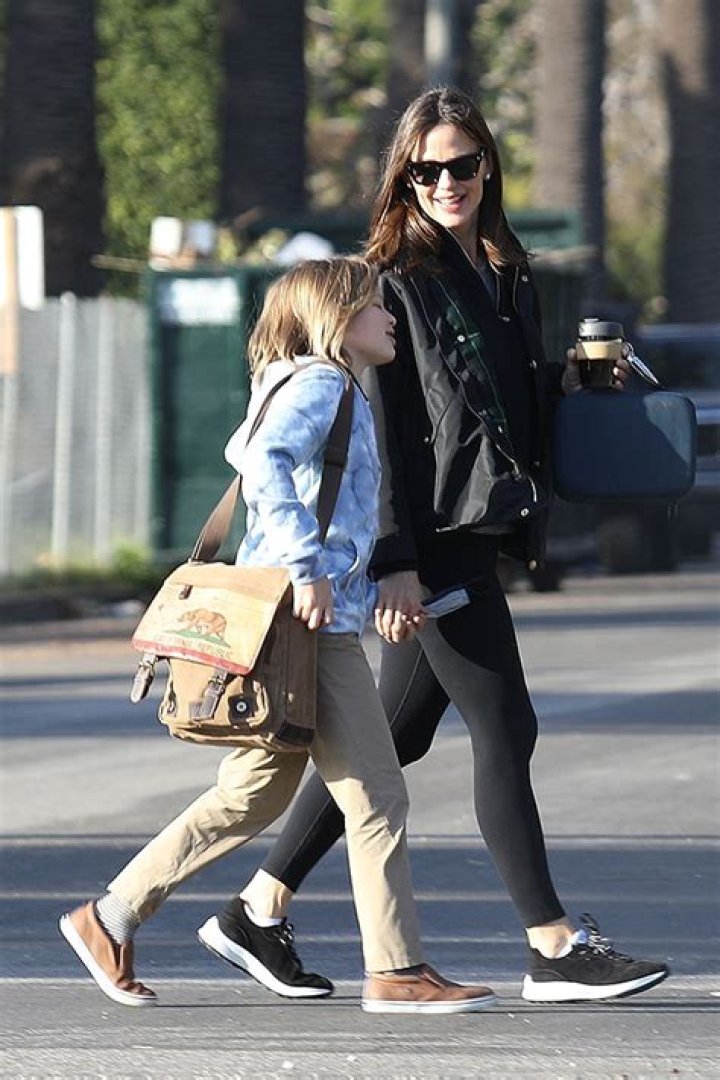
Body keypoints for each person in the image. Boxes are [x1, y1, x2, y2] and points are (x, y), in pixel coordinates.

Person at [197, 88, 669, 1005]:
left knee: (391, 740)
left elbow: (486, 399)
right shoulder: (396, 279)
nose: (446, 183)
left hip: (472, 526)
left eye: (462, 165)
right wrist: (392, 559)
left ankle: (255, 908)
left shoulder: (501, 267)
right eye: (426, 170)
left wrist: (561, 377)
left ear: (487, 165)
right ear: (403, 177)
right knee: (505, 726)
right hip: (432, 540)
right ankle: (553, 944)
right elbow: (382, 423)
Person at [59, 255, 496, 1014]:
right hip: (303, 623)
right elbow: (263, 463)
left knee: (253, 793)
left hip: (295, 620)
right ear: (337, 318)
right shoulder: (325, 383)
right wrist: (309, 570)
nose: (389, 318)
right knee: (377, 793)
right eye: (373, 307)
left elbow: (271, 470)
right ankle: (395, 970)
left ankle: (110, 916)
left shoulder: (309, 382)